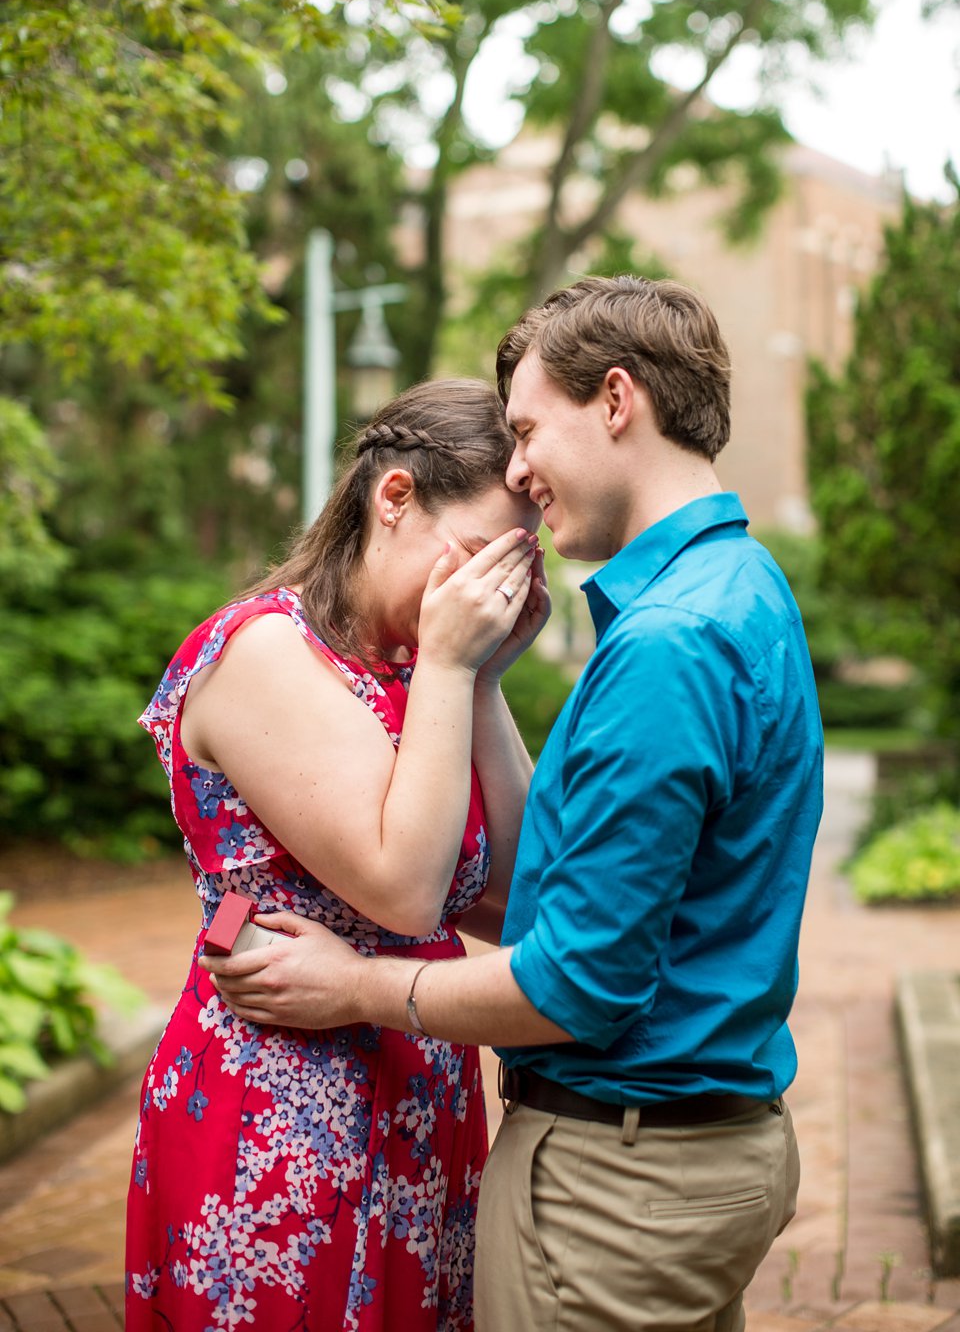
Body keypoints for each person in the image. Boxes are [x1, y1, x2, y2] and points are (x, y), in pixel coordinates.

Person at [205, 276, 825, 1332]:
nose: (523, 468)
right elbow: (555, 885)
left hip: (620, 1178)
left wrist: (359, 984)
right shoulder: (741, 585)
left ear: (617, 400)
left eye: (532, 429)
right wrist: (484, 683)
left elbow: (575, 978)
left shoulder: (667, 645)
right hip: (691, 1149)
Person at [125, 378, 548, 1332]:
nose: (495, 593)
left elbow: (521, 900)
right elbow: (404, 892)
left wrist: (478, 683)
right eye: (482, 558)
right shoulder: (264, 654)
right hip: (284, 1111)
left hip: (415, 1097)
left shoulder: (414, 676)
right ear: (393, 498)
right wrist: (448, 663)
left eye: (517, 571)